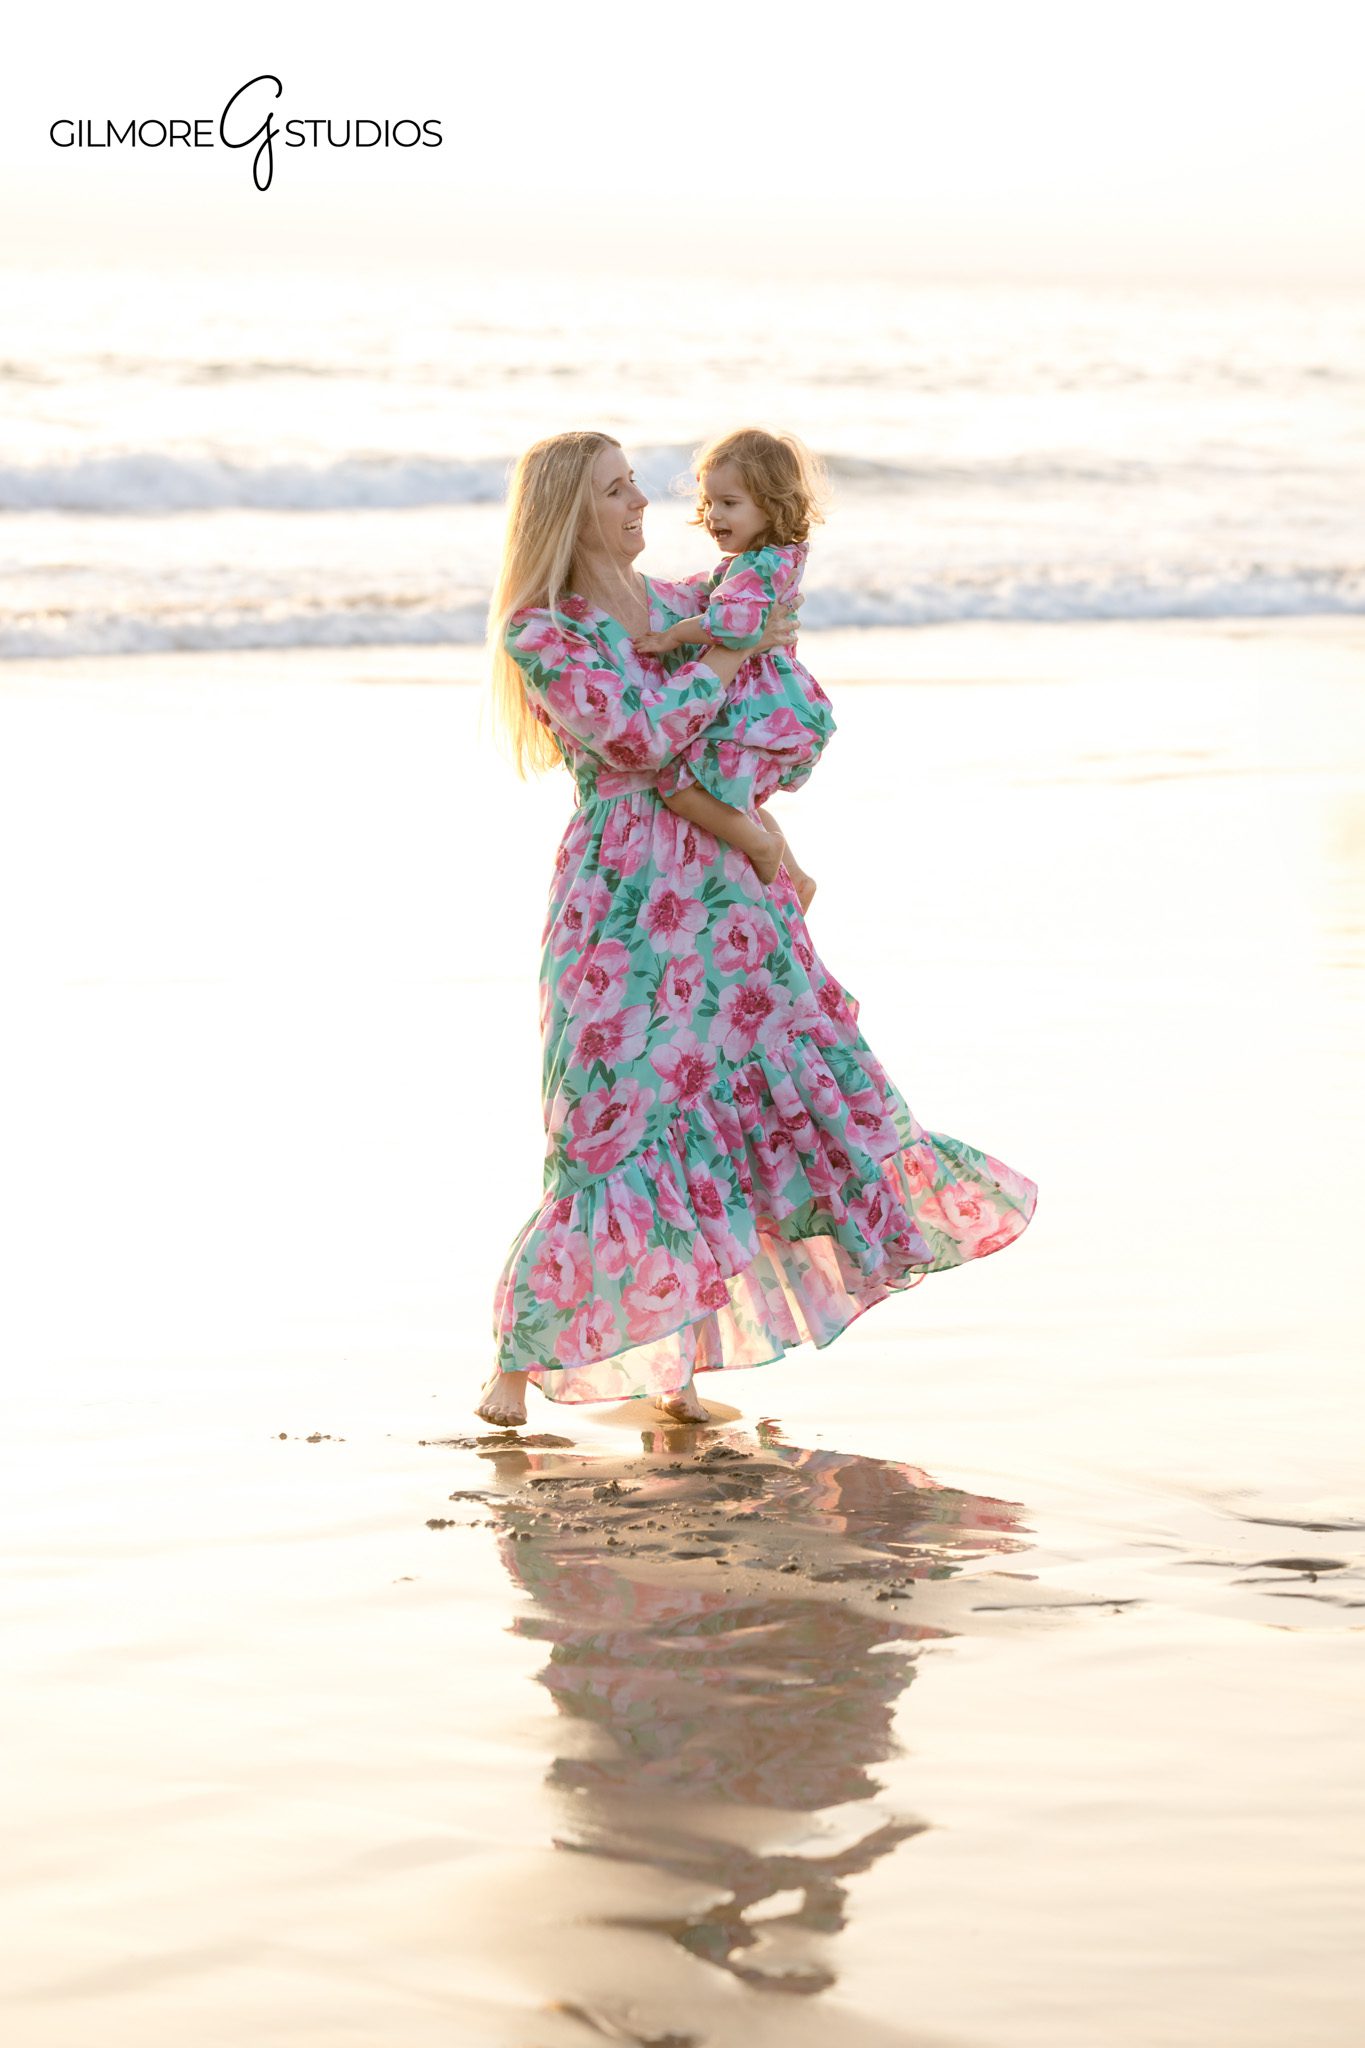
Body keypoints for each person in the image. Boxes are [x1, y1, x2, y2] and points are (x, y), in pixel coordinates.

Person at [476, 430, 1037, 1428]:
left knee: (732, 1113)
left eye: (637, 483)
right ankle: (515, 1365)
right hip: (618, 902)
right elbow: (643, 736)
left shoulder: (683, 603)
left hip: (725, 901)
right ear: (570, 512)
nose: (643, 502)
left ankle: (676, 1373)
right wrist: (729, 652)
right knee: (612, 1122)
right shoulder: (543, 630)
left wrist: (738, 645)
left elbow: (760, 665)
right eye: (617, 490)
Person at [636, 426, 834, 915]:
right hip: (771, 696)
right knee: (733, 795)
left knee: (681, 784)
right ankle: (796, 876)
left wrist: (674, 635)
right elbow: (728, 592)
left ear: (769, 504)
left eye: (729, 503)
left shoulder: (755, 566)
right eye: (708, 504)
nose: (714, 516)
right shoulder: (772, 556)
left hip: (752, 700)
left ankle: (768, 852)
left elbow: (735, 622)